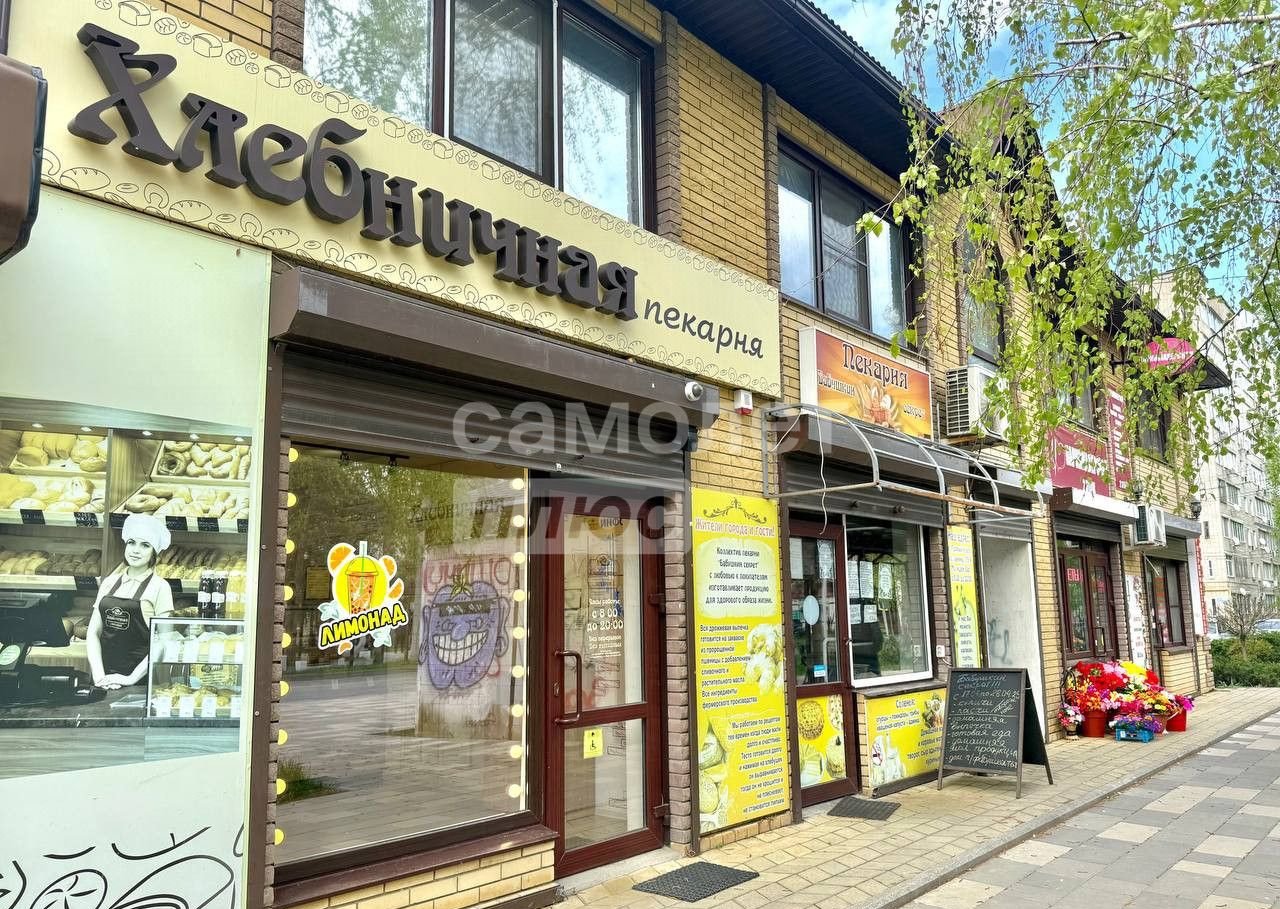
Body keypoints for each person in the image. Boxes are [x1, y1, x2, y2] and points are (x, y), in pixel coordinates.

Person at [86, 513, 174, 690]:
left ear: (154, 552)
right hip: (103, 678)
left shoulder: (160, 587)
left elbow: (164, 642)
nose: (135, 550)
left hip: (140, 681)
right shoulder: (109, 582)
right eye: (131, 542)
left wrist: (130, 679)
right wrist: (99, 676)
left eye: (145, 545)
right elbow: (93, 632)